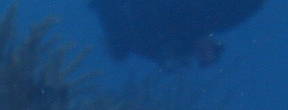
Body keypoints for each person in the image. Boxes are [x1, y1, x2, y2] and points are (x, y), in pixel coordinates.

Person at [89, 0, 266, 66]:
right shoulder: (217, 19)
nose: (205, 54)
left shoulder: (148, 40)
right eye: (216, 51)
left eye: (203, 60)